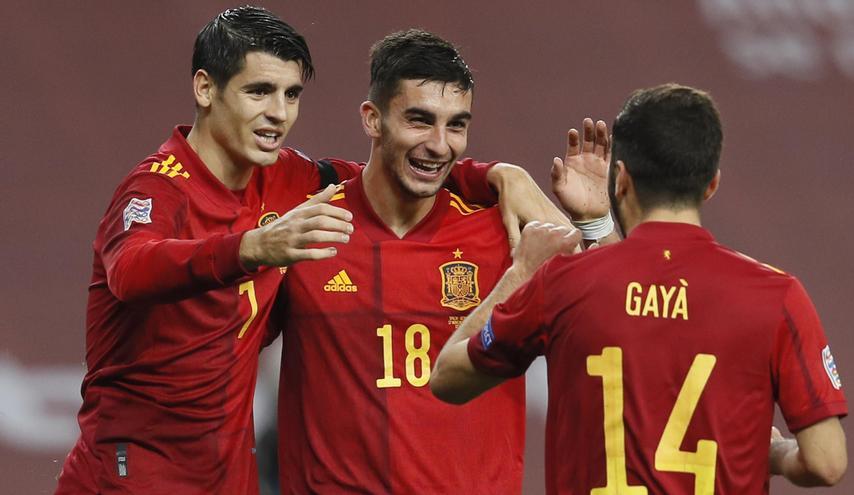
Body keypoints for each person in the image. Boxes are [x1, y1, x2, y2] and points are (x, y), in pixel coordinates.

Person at [55, 7, 547, 494]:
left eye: (291, 94)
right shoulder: (157, 188)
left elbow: (391, 170)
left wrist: (496, 174)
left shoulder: (288, 178)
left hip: (227, 475)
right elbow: (132, 270)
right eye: (259, 91)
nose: (279, 113)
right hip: (131, 472)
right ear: (205, 89)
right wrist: (252, 248)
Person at [431, 84, 848, 494]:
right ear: (711, 184)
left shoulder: (563, 282)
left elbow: (448, 377)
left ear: (621, 179)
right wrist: (773, 453)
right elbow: (825, 463)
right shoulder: (776, 295)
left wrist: (520, 271)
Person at [273, 29, 610, 494]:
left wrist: (594, 225)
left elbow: (622, 322)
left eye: (456, 125)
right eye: (419, 120)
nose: (439, 145)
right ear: (372, 120)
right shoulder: (305, 230)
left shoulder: (502, 235)